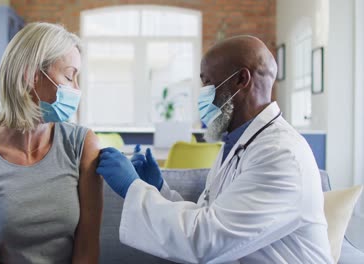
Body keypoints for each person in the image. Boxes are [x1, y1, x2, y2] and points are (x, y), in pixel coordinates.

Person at [97, 36, 333, 263]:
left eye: (208, 82)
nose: (203, 94)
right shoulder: (240, 143)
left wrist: (133, 188)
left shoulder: (280, 155)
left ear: (241, 79)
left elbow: (205, 241)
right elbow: (209, 216)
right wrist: (160, 190)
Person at [0, 22, 102, 264]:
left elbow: (87, 250)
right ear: (31, 75)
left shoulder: (82, 145)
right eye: (69, 75)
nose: (76, 88)